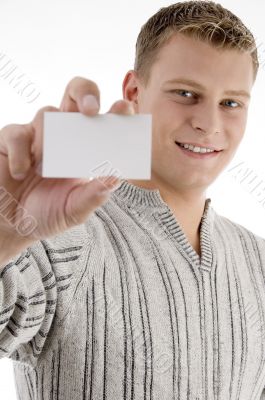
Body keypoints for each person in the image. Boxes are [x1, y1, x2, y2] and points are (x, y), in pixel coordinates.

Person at [0, 1, 264, 399]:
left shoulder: (258, 262)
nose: (209, 124)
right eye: (186, 93)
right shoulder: (59, 243)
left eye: (231, 103)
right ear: (134, 91)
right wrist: (6, 234)